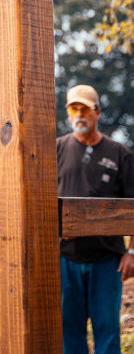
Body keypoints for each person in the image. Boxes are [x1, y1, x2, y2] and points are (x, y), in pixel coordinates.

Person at [57, 84, 134, 354]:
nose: (79, 114)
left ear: (97, 112)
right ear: (68, 114)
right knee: (69, 331)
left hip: (107, 259)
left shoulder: (119, 154)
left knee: (107, 332)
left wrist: (132, 252)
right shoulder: (56, 150)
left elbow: (133, 207)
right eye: (73, 108)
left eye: (85, 109)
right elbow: (41, 201)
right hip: (66, 259)